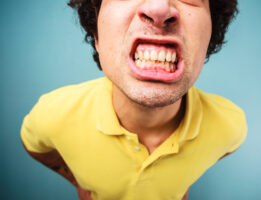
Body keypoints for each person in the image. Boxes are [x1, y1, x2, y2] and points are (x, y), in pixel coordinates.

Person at [20, 0, 247, 199]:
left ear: (210, 35)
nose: (159, 8)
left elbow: (223, 146)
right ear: (96, 31)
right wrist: (77, 178)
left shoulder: (230, 124)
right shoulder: (53, 115)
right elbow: (35, 146)